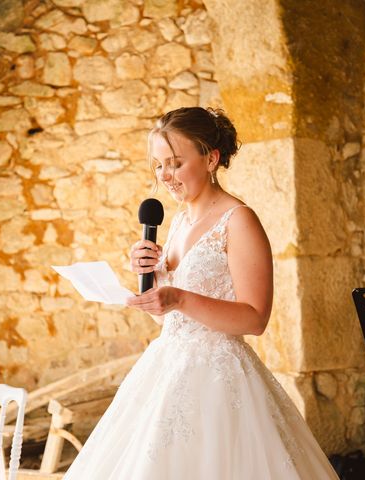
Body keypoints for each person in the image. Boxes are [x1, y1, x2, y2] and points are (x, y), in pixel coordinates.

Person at [63, 107, 338, 479]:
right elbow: (166, 314)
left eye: (175, 163)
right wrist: (152, 281)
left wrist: (179, 298)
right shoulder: (177, 222)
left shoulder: (238, 221)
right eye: (158, 165)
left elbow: (255, 318)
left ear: (211, 158)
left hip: (219, 381)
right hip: (165, 368)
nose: (165, 176)